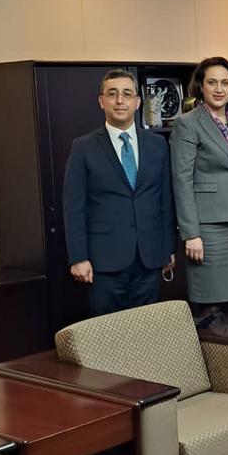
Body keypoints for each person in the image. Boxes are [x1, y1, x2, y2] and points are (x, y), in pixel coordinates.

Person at [63, 68, 175, 317]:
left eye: (127, 94)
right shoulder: (83, 147)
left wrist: (167, 247)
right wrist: (78, 257)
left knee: (146, 328)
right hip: (104, 261)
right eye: (112, 94)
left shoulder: (157, 145)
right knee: (108, 331)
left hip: (149, 257)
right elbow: (74, 207)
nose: (120, 100)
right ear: (101, 101)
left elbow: (165, 201)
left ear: (138, 102)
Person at [171, 57, 228, 326]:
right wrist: (191, 233)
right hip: (209, 229)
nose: (219, 89)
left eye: (225, 83)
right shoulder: (188, 123)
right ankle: (212, 353)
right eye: (212, 82)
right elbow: (181, 180)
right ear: (201, 86)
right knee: (211, 304)